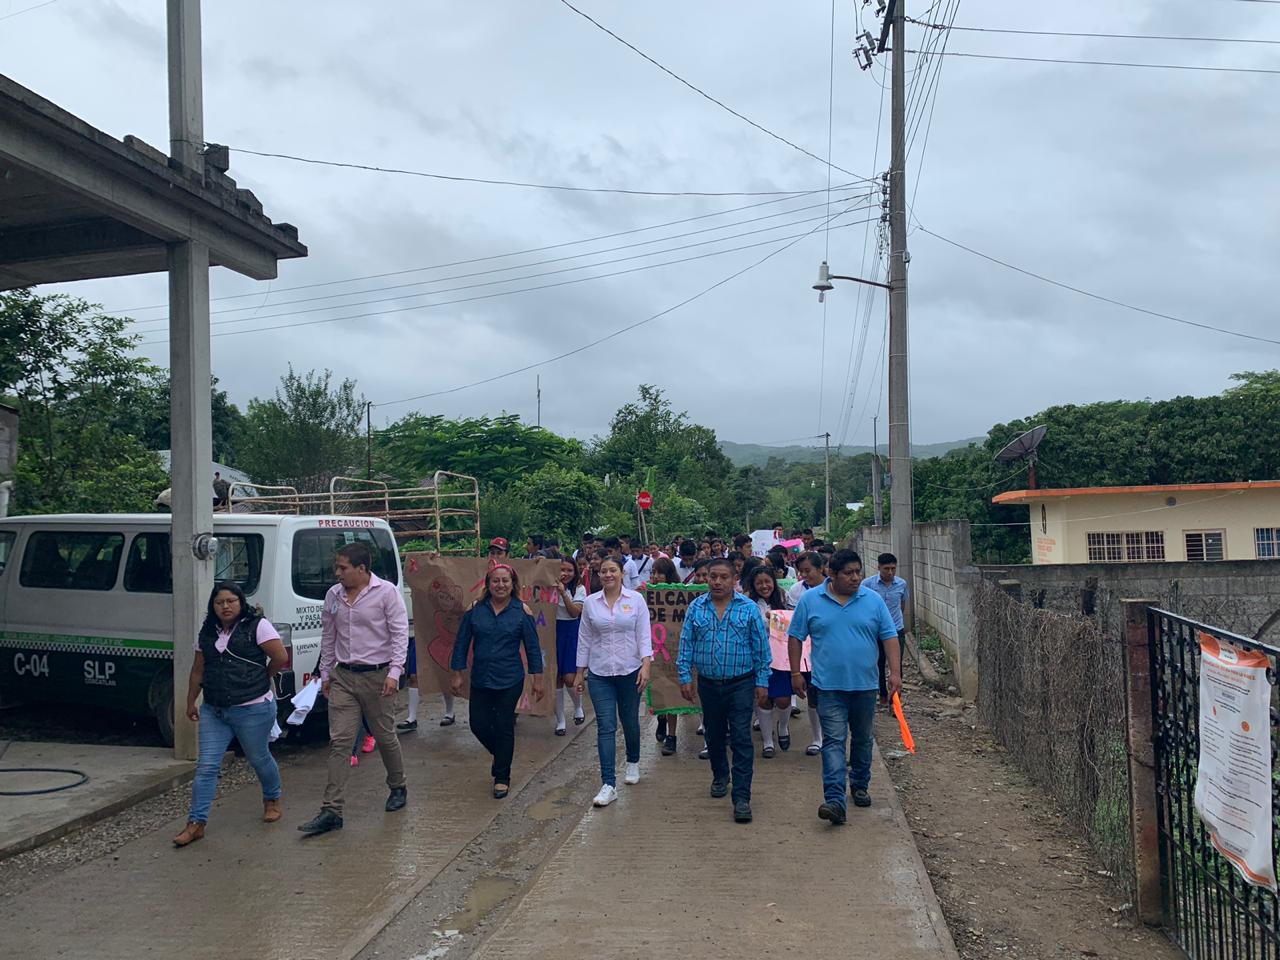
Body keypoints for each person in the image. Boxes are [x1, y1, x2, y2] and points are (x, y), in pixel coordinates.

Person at [299, 543, 410, 837]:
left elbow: (400, 634)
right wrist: (325, 673)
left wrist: (395, 672)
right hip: (344, 678)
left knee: (385, 736)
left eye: (343, 568)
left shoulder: (386, 593)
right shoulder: (333, 596)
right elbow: (328, 634)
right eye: (337, 567)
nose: (337, 573)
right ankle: (331, 810)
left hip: (378, 676)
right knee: (340, 742)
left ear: (362, 569)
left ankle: (397, 786)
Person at [788, 550, 900, 825]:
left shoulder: (872, 600)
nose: (855, 578)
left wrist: (895, 673)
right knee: (834, 742)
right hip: (828, 687)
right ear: (833, 574)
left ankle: (860, 784)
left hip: (865, 685)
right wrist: (794, 673)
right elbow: (795, 636)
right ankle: (835, 800)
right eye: (848, 573)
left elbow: (889, 636)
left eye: (858, 572)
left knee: (862, 739)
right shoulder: (811, 600)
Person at [174, 581, 288, 847]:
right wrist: (191, 701)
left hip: (253, 707)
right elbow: (197, 670)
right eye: (219, 602)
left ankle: (272, 798)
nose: (225, 606)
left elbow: (280, 656)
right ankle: (196, 822)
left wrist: (262, 677)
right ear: (212, 606)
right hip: (215, 709)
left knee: (258, 757)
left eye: (230, 601)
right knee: (206, 767)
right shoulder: (207, 632)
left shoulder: (257, 626)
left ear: (240, 602)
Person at [677, 558, 771, 824]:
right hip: (708, 683)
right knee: (715, 734)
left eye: (723, 577)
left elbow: (761, 648)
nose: (717, 582)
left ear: (734, 580)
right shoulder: (696, 608)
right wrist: (685, 676)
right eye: (712, 577)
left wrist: (763, 680)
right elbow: (686, 644)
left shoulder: (749, 609)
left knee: (741, 737)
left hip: (741, 682)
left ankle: (742, 797)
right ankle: (720, 775)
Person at [450, 564, 545, 798]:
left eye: (505, 581)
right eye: (496, 581)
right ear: (488, 584)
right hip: (481, 678)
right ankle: (502, 755)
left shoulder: (522, 612)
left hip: (510, 678)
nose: (500, 585)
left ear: (513, 584)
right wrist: (457, 673)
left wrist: (538, 680)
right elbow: (461, 643)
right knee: (478, 724)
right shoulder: (475, 610)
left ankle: (502, 776)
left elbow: (532, 648)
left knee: (504, 726)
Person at [575, 557, 652, 807]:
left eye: (613, 570)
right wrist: (579, 672)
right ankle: (608, 783)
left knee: (629, 720)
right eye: (603, 571)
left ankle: (632, 760)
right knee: (606, 726)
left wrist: (646, 665)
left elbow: (643, 634)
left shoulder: (636, 600)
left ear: (622, 573)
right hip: (600, 673)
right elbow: (584, 638)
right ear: (598, 575)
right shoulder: (590, 603)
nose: (608, 575)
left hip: (630, 670)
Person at [746, 567, 792, 758]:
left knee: (783, 699)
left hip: (780, 656)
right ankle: (767, 742)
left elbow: (790, 626)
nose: (764, 586)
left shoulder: (784, 598)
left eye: (767, 582)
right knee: (762, 699)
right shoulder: (747, 603)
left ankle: (783, 726)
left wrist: (775, 619)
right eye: (759, 583)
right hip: (757, 658)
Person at [786, 551, 828, 756]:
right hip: (805, 651)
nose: (803, 575)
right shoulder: (796, 591)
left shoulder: (834, 589)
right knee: (813, 694)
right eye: (801, 571)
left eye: (808, 571)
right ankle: (817, 737)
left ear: (821, 569)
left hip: (827, 652)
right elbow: (791, 624)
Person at [864, 552, 910, 706]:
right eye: (886, 569)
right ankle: (882, 693)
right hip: (875, 632)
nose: (890, 572)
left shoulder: (902, 584)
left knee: (896, 665)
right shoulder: (868, 585)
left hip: (896, 630)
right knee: (878, 663)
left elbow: (902, 605)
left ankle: (895, 701)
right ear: (878, 568)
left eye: (893, 569)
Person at [554, 558, 588, 735]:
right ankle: (560, 721)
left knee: (569, 677)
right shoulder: (547, 586)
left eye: (569, 570)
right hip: (551, 631)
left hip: (571, 632)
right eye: (561, 570)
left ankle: (578, 706)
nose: (565, 574)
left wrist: (563, 593)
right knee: (555, 678)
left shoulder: (579, 589)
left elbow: (574, 612)